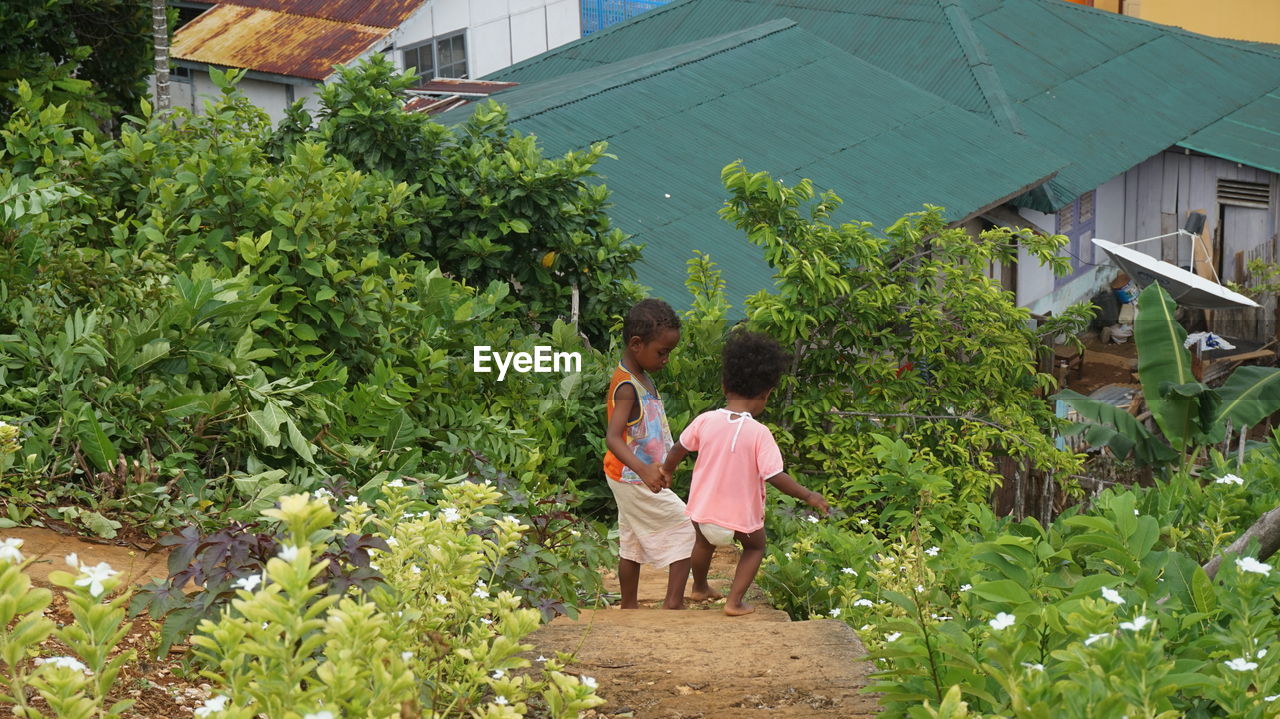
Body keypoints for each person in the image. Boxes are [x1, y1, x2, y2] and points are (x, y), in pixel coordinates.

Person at [660, 330, 829, 616]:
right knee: (754, 548)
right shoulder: (759, 433)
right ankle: (734, 601)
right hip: (741, 518)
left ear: (725, 385)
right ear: (766, 394)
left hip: (704, 510)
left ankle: (699, 586)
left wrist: (666, 470)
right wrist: (808, 495)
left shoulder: (705, 420)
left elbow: (679, 448)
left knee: (702, 544)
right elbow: (775, 475)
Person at [604, 299, 694, 609]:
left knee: (630, 541)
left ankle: (629, 605)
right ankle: (673, 603)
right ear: (636, 344)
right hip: (633, 476)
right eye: (663, 352)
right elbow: (613, 438)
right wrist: (644, 470)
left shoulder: (640, 376)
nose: (666, 359)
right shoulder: (627, 386)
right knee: (686, 527)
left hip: (627, 475)